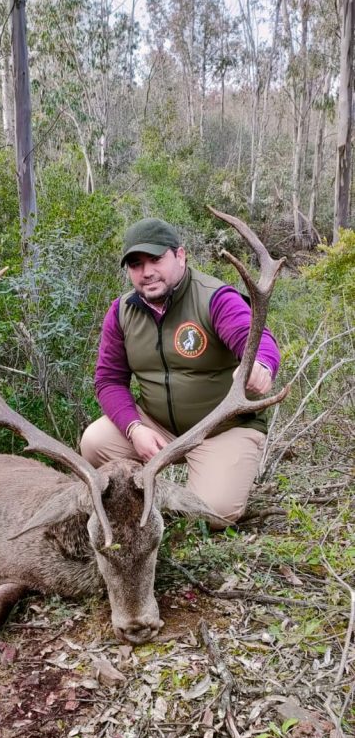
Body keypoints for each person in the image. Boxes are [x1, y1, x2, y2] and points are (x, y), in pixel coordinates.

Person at [80, 217, 280, 524]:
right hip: (156, 425)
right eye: (136, 265)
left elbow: (257, 339)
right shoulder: (121, 312)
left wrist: (260, 367)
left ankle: (182, 494)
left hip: (221, 429)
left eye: (156, 259)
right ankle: (149, 494)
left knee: (212, 514)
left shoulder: (215, 298)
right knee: (94, 443)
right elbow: (108, 381)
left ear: (180, 255)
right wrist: (135, 429)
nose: (147, 273)